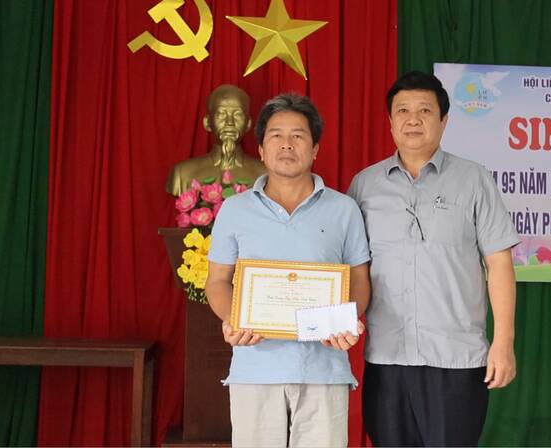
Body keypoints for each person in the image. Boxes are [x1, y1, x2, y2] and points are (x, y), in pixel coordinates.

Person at [347, 70, 521, 447]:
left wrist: (503, 341)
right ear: (389, 121)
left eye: (425, 110)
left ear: (444, 121)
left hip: (456, 360)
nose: (413, 119)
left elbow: (499, 263)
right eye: (403, 110)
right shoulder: (364, 186)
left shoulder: (474, 180)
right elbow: (352, 269)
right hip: (387, 359)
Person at [205, 93, 372, 447]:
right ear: (262, 150)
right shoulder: (234, 210)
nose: (287, 144)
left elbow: (359, 279)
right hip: (255, 367)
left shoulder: (344, 210)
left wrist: (345, 321)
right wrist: (235, 318)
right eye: (276, 135)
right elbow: (218, 281)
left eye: (298, 135)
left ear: (314, 150)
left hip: (325, 369)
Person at [165, 84, 266, 195]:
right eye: (221, 114)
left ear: (248, 124)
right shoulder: (182, 174)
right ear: (207, 122)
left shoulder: (265, 174)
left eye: (237, 114)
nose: (229, 122)